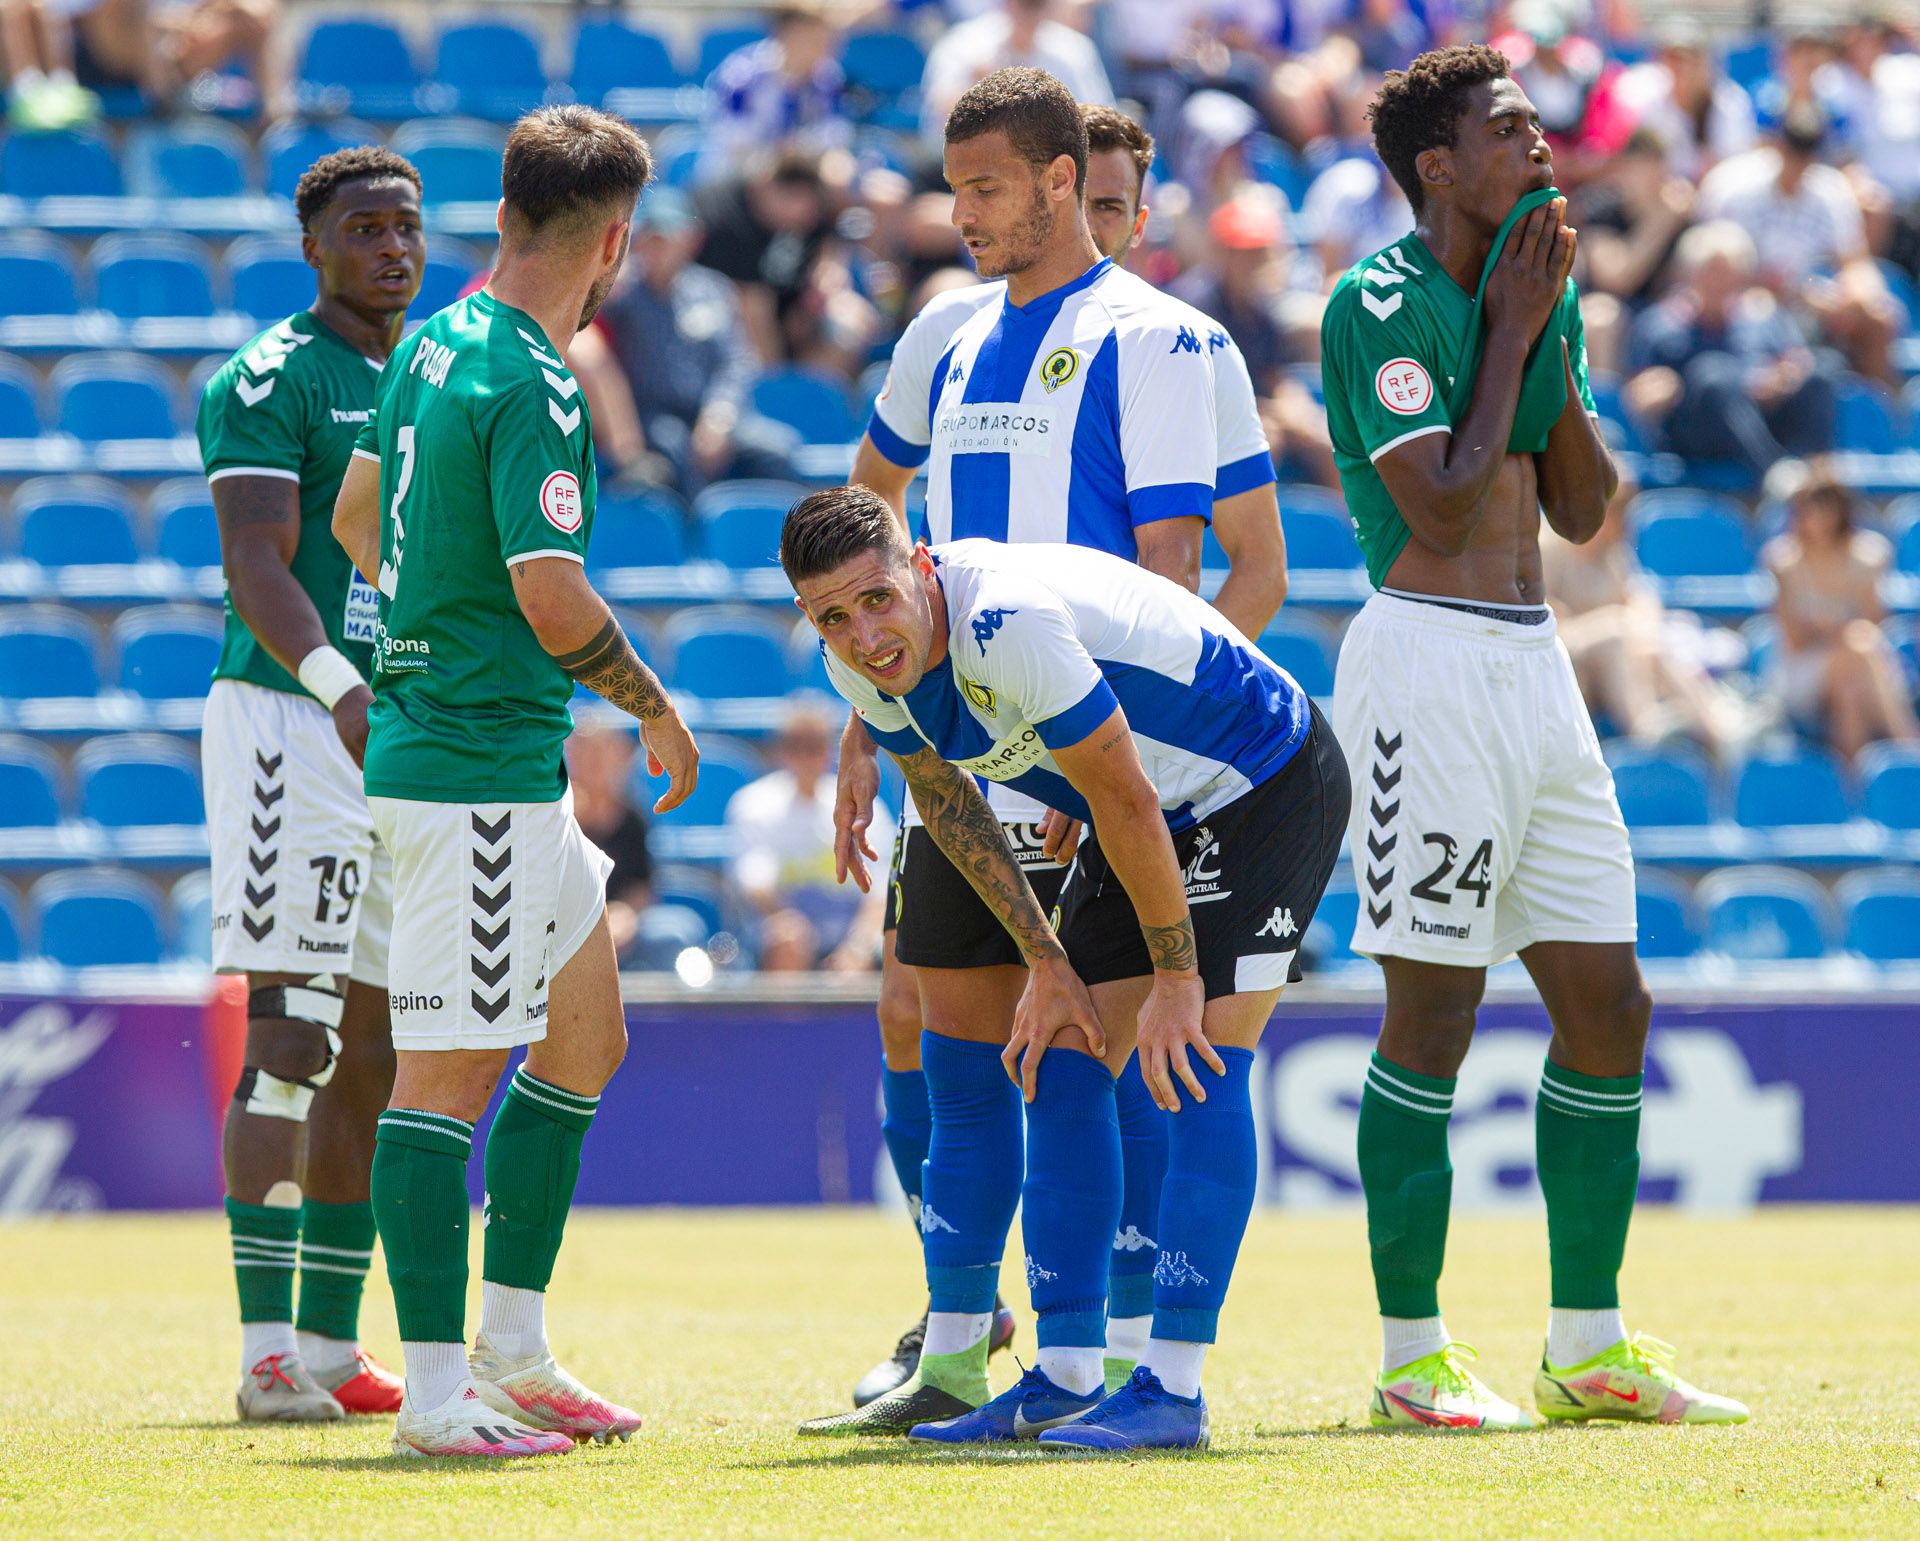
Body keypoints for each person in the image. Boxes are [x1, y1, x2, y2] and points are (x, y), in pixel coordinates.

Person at [1321, 44, 1747, 1430]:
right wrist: (1508, 331)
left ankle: (1587, 1343)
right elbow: (1440, 510)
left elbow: (1580, 510)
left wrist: (1553, 332)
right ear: (1437, 165)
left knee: (1609, 1001)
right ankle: (1410, 1355)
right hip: (1425, 663)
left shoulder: (1534, 292)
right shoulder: (1376, 302)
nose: (1543, 147)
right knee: (1435, 1012)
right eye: (1510, 130)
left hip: (1533, 664)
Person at [816, 79, 1255, 1424]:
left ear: (1063, 185)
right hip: (964, 746)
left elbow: (1181, 573)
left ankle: (1111, 1351)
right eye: (952, 190)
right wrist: (860, 714)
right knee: (943, 1026)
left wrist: (1097, 765)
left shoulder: (1160, 341)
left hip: (1080, 740)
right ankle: (957, 1339)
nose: (960, 216)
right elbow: (868, 522)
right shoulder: (944, 339)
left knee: (1090, 1041)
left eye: (987, 188)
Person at [784, 492, 1348, 1451]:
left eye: (877, 599)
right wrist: (1045, 959)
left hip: (1263, 781)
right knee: (1061, 1050)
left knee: (1198, 1057)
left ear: (920, 564)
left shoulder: (1006, 620)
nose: (864, 634)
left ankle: (1173, 1389)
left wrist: (1178, 979)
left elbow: (1122, 795)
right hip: (1152, 810)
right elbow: (947, 802)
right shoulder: (861, 669)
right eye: (832, 616)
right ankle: (1067, 1375)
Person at [330, 105, 700, 1460]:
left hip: (490, 762)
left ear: (504, 213)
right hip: (475, 767)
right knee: (444, 1079)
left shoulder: (428, 341)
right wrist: (653, 707)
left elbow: (356, 522)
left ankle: (516, 1350)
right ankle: (436, 1398)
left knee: (583, 1033)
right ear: (613, 243)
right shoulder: (538, 378)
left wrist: (420, 628)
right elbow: (553, 599)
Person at [195, 146, 423, 1424]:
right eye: (362, 227)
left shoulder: (426, 373)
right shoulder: (270, 377)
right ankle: (265, 1349)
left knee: (377, 1043)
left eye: (405, 226)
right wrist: (340, 683)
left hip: (398, 732)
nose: (390, 248)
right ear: (314, 247)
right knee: (291, 1032)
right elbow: (255, 560)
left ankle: (333, 1344)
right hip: (294, 718)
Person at [1624, 220, 1840, 481]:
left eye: (1728, 273)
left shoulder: (1764, 318)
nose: (1719, 282)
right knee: (1714, 373)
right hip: (1697, 433)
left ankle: (1820, 477)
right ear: (1689, 275)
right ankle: (1779, 477)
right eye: (1709, 272)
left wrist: (1781, 380)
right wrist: (1659, 391)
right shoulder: (1660, 324)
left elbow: (1797, 363)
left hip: (1762, 419)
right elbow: (1639, 394)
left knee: (1823, 370)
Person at [724, 702, 894, 972]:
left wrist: (858, 946)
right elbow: (755, 884)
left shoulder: (865, 806)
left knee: (886, 948)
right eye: (795, 745)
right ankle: (785, 1015)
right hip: (781, 936)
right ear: (781, 751)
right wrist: (788, 922)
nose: (805, 755)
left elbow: (880, 890)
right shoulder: (754, 804)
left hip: (850, 936)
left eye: (814, 745)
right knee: (787, 941)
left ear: (830, 750)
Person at [1764, 468, 1919, 759]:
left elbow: (1876, 621)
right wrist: (1837, 630)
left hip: (1856, 671)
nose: (1812, 520)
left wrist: (1832, 628)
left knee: (1848, 692)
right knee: (1859, 647)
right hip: (1802, 674)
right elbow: (1795, 641)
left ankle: (1855, 788)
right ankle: (1909, 745)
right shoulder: (1782, 562)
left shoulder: (1868, 556)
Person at [700, 1, 851, 184]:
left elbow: (835, 132)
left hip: (806, 168)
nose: (825, 50)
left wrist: (801, 149)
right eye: (814, 41)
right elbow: (731, 136)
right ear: (786, 35)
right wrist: (777, 153)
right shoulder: (743, 75)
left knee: (841, 170)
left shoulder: (827, 77)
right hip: (744, 172)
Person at [920, 0, 1114, 137]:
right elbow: (938, 117)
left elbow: (1099, 116)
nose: (1030, 10)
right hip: (971, 155)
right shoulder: (965, 43)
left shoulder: (1074, 49)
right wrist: (978, 89)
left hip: (1054, 157)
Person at [565, 723, 656, 963]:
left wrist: (624, 914)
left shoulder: (632, 819)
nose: (593, 765)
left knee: (671, 934)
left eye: (600, 756)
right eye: (585, 756)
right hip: (566, 922)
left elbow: (641, 886)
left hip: (620, 920)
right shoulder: (557, 817)